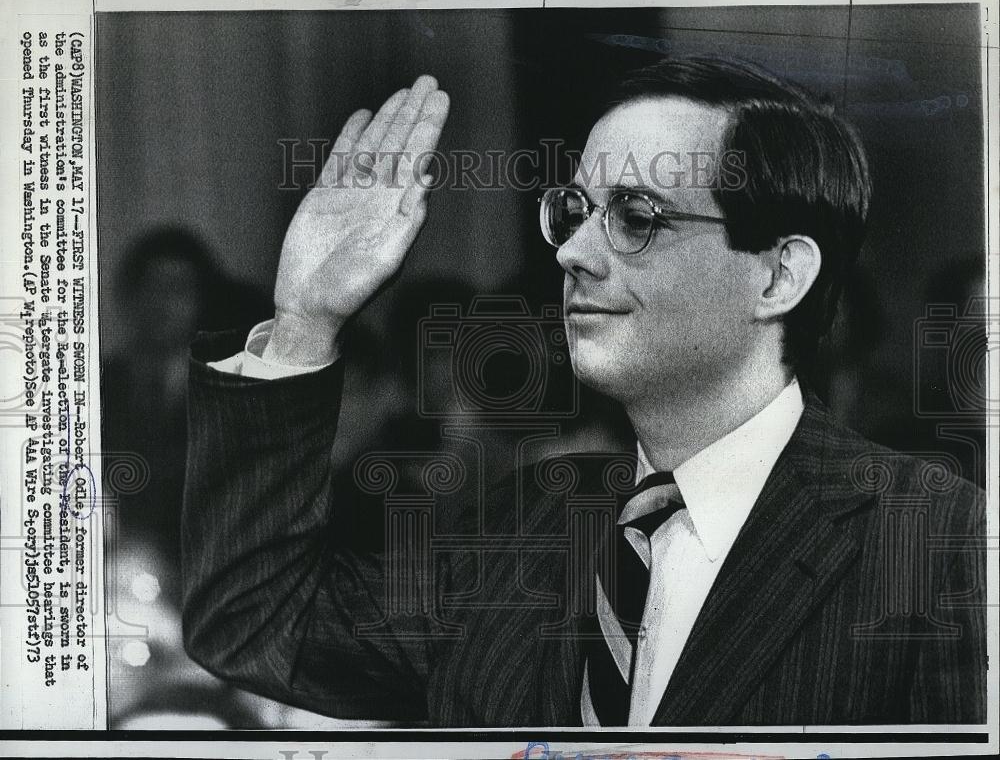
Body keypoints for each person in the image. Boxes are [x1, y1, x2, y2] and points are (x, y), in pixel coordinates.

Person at [181, 59, 985, 726]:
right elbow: (255, 622)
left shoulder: (938, 540)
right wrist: (303, 322)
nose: (572, 252)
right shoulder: (530, 518)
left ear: (779, 274)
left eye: (634, 216)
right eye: (574, 211)